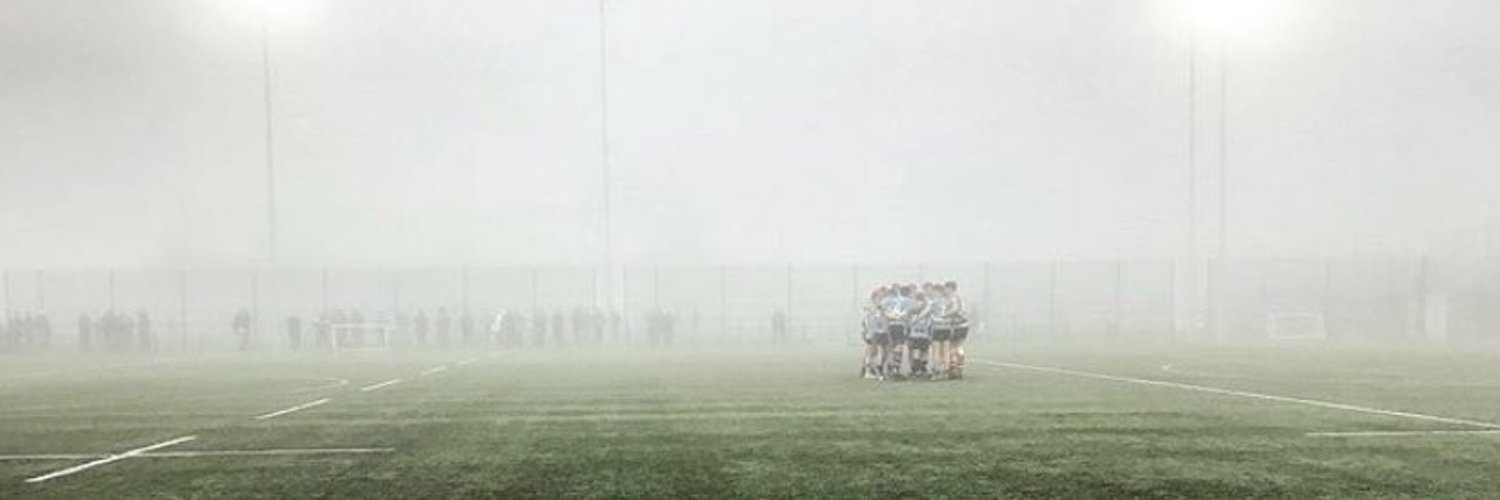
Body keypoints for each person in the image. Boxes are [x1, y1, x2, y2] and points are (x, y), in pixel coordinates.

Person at [942, 281, 970, 378]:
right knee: (958, 346)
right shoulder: (959, 297)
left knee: (953, 346)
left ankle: (954, 369)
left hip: (958, 325)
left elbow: (955, 309)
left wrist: (944, 315)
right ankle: (959, 368)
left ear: (950, 288)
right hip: (964, 324)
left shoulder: (953, 297)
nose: (944, 291)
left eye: (946, 288)